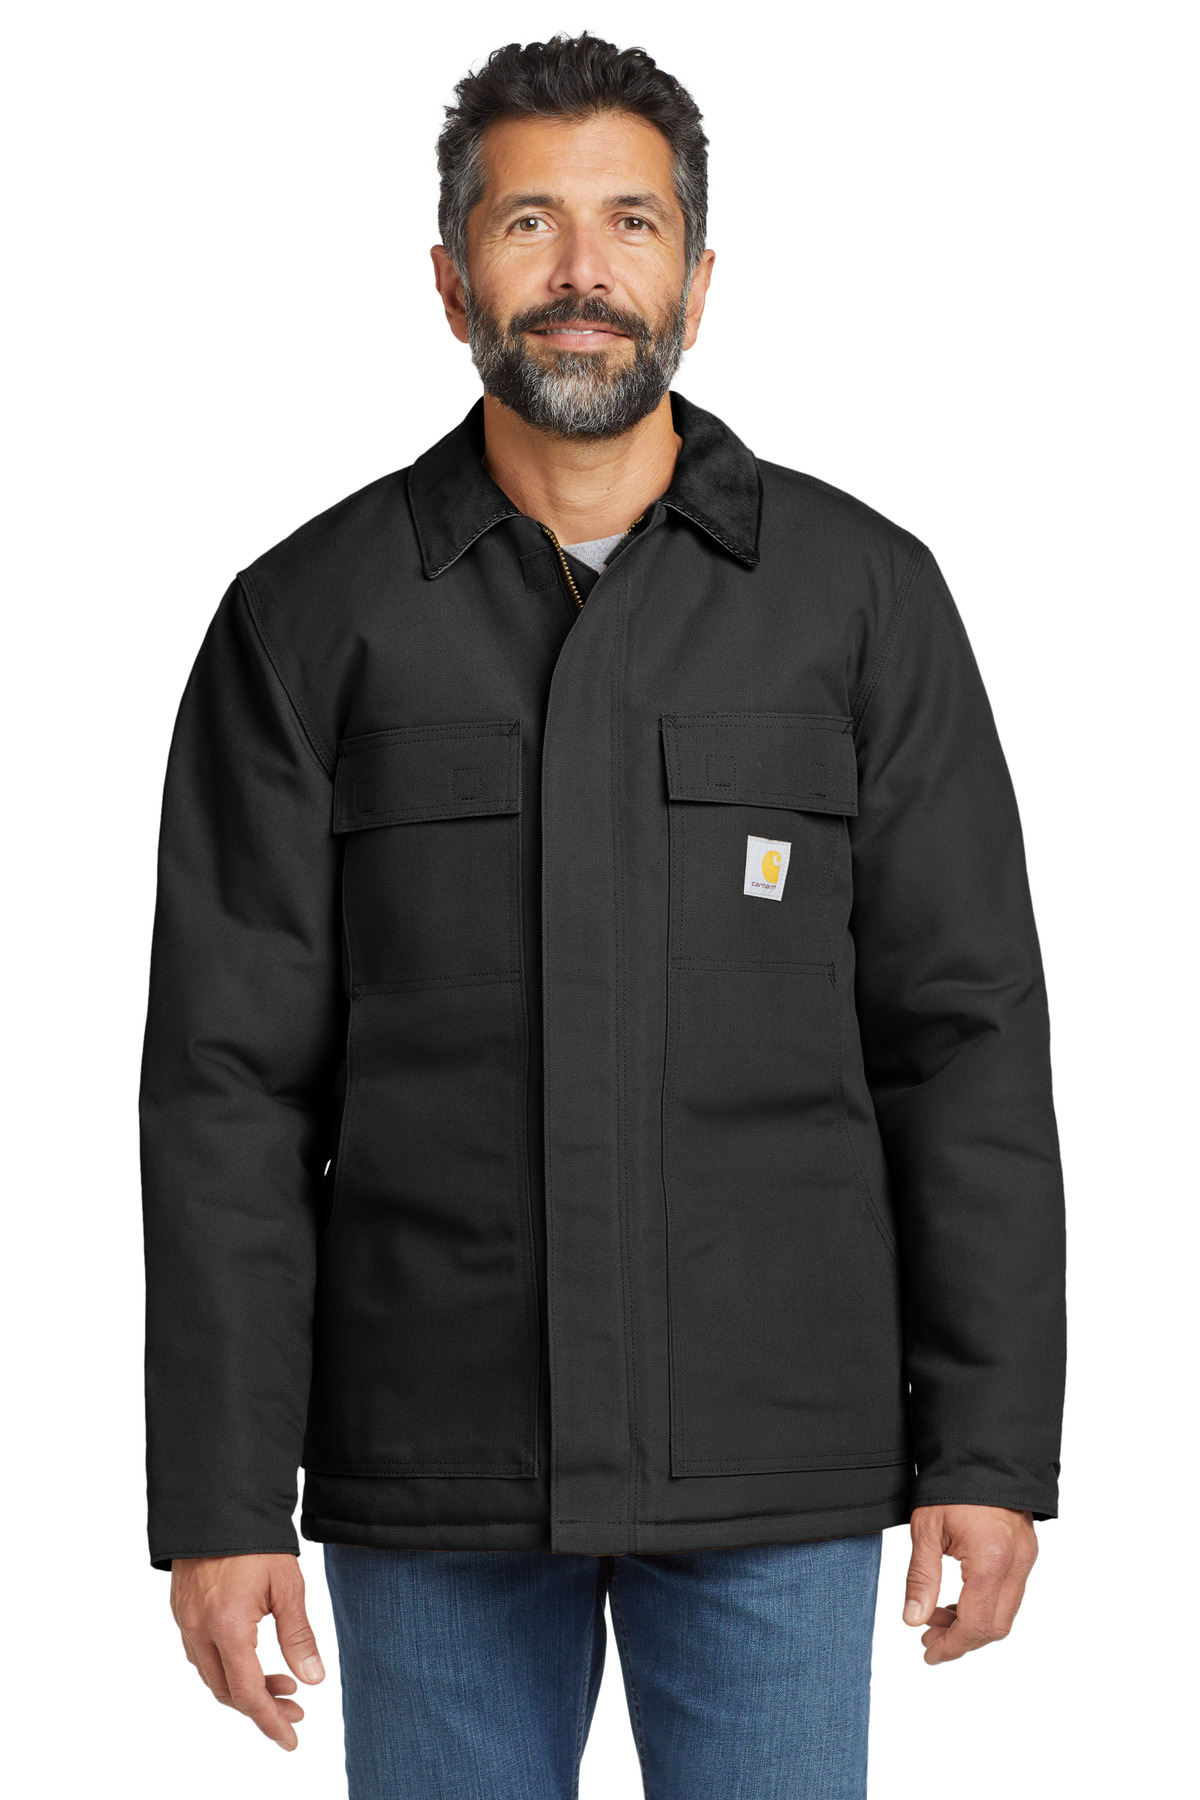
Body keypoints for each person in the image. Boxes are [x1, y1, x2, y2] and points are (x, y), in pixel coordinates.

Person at [139, 31, 1067, 1800]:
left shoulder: (862, 601)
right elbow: (226, 1088)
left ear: (698, 281)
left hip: (778, 1458)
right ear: (449, 280)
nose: (583, 272)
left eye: (632, 223)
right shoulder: (307, 618)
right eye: (529, 224)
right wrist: (219, 1496)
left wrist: (992, 1444)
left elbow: (963, 1042)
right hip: (434, 1459)